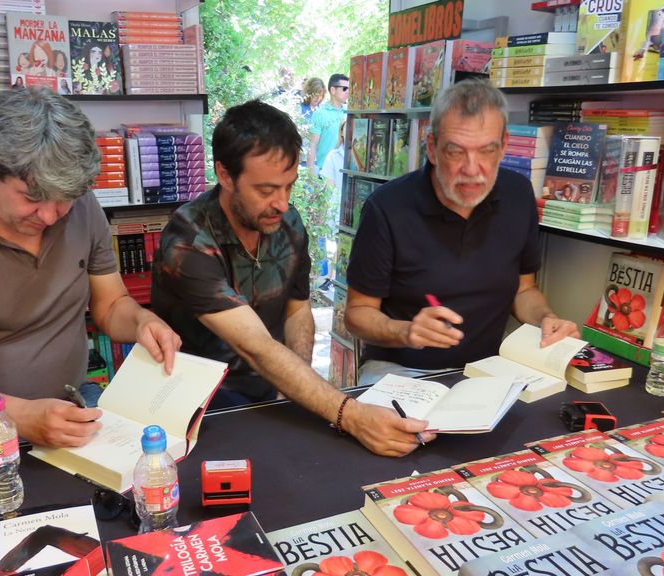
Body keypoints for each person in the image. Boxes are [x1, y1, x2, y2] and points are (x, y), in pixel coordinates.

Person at [0, 87, 181, 448]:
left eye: (63, 201)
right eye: (31, 198)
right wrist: (17, 415)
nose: (49, 216)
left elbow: (110, 305)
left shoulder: (80, 204)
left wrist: (142, 321)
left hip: (77, 407)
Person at [153, 100, 432, 457]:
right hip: (199, 408)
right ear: (225, 175)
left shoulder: (288, 223)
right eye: (266, 190)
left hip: (273, 386)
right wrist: (351, 414)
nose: (282, 203)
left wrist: (293, 387)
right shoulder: (188, 241)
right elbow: (255, 346)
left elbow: (297, 310)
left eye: (289, 186)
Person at [344, 79, 579, 385]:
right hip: (402, 369)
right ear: (432, 148)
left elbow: (524, 290)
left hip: (491, 368)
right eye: (456, 152)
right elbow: (358, 313)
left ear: (504, 146)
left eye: (486, 151)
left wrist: (546, 319)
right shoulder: (386, 208)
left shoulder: (518, 195)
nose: (472, 169)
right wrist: (406, 331)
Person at [307, 73, 348, 177]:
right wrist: (310, 174)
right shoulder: (320, 113)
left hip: (346, 172)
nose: (347, 92)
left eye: (349, 89)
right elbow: (312, 144)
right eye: (344, 88)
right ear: (333, 90)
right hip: (324, 171)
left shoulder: (350, 112)